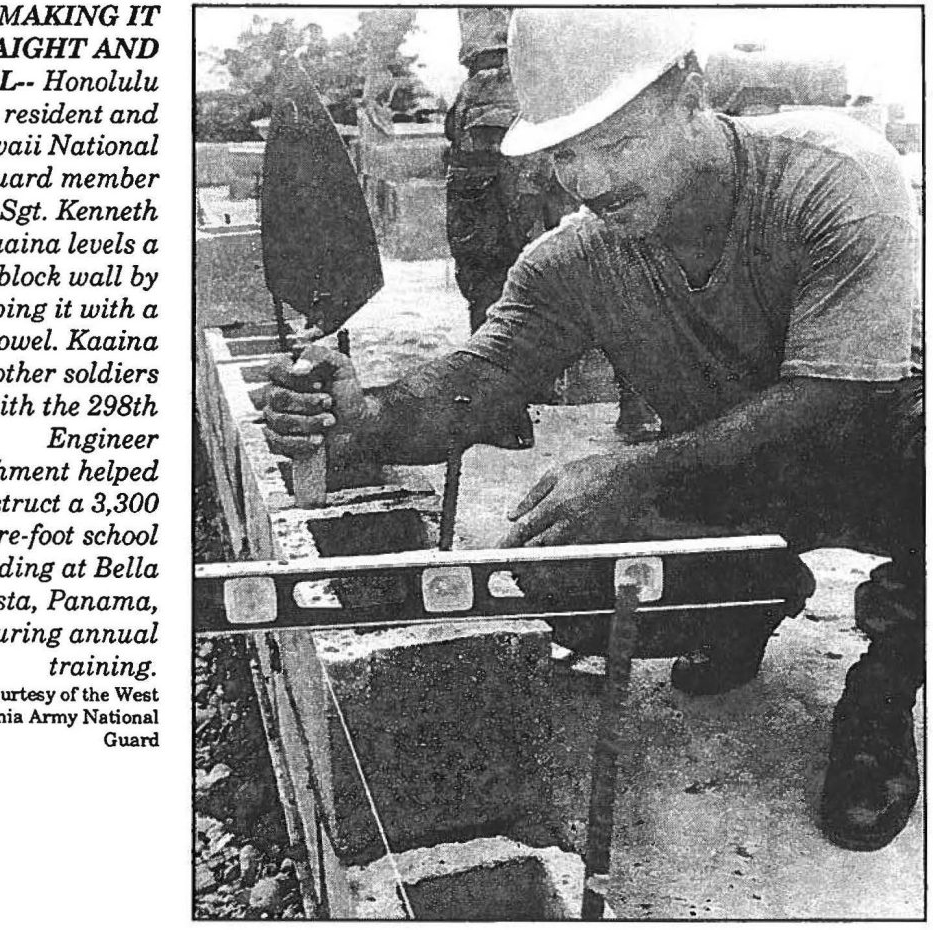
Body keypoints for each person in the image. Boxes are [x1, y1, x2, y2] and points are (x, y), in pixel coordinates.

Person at [261, 9, 923, 853]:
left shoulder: (832, 176)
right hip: (738, 469)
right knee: (558, 581)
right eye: (565, 152)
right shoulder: (575, 257)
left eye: (616, 140)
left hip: (885, 452)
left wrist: (633, 468)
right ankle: (746, 601)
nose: (590, 176)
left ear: (691, 92)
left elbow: (835, 393)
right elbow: (480, 380)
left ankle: (885, 690)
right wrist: (371, 417)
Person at [445, 7, 659, 440]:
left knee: (590, 257)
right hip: (527, 83)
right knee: (573, 258)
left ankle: (511, 411)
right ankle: (634, 403)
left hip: (527, 81)